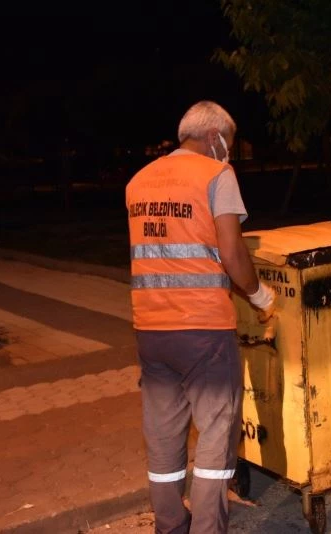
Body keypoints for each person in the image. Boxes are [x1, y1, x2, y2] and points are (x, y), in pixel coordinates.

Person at [125, 100, 276, 533]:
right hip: (204, 331)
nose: (229, 151)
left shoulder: (139, 181)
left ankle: (171, 524)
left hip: (151, 331)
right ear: (214, 137)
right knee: (214, 435)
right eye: (228, 142)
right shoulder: (217, 175)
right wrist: (262, 297)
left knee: (164, 436)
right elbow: (232, 253)